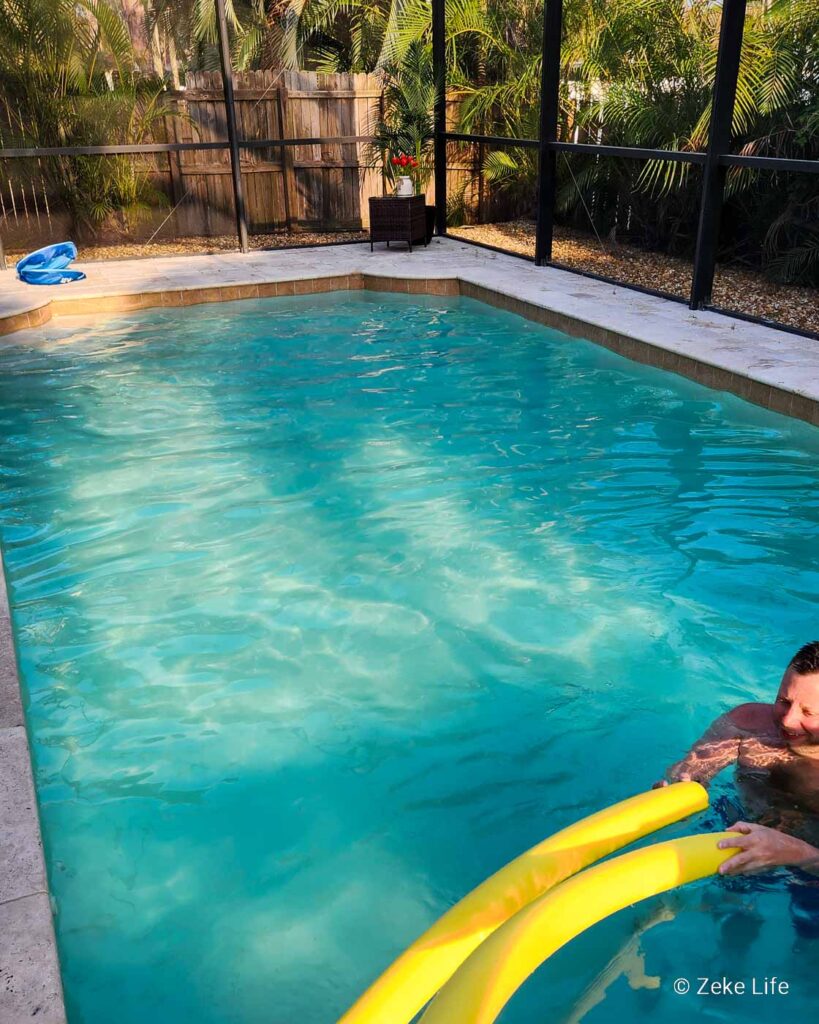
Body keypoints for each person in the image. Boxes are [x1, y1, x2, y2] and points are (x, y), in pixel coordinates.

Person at [658, 640, 819, 879]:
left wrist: (797, 853)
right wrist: (677, 792)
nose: (787, 720)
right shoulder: (748, 723)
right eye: (783, 701)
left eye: (808, 712)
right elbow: (691, 771)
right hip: (733, 825)